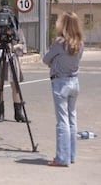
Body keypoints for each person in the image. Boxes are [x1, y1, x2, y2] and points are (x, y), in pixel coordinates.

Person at [43, 11, 84, 167]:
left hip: (61, 83)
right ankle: (71, 155)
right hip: (74, 81)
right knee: (72, 119)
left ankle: (62, 157)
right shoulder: (80, 43)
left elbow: (46, 58)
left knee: (62, 122)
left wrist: (54, 63)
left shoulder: (59, 43)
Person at [0, 0, 27, 122]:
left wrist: (13, 47)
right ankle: (0, 113)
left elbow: (22, 44)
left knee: (15, 85)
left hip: (11, 58)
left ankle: (18, 113)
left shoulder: (16, 29)